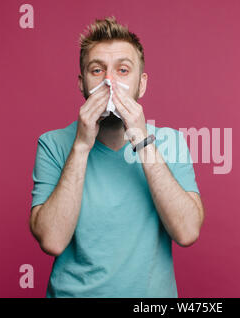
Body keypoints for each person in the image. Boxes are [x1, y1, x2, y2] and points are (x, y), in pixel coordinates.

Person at [29, 16, 205, 297]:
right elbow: (52, 240)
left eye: (123, 70)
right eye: (97, 70)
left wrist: (142, 140)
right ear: (81, 83)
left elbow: (186, 232)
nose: (109, 82)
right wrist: (81, 146)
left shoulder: (170, 142)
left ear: (142, 84)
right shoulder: (53, 145)